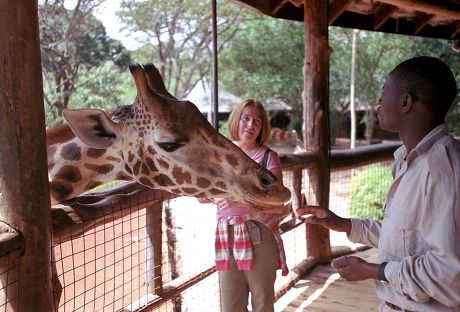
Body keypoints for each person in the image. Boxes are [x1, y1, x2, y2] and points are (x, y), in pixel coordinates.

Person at [297, 56, 460, 311]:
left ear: (405, 101)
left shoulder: (444, 169)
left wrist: (373, 270)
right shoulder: (408, 160)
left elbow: (450, 275)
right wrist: (343, 224)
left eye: (384, 92)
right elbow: (405, 237)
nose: (379, 101)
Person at [198, 98, 290, 312]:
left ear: (262, 127)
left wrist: (236, 199)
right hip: (225, 234)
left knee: (262, 304)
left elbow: (279, 204)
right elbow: (208, 191)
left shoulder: (267, 157)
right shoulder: (221, 154)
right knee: (230, 307)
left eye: (257, 121)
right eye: (245, 118)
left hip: (258, 232)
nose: (250, 125)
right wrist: (205, 196)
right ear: (236, 120)